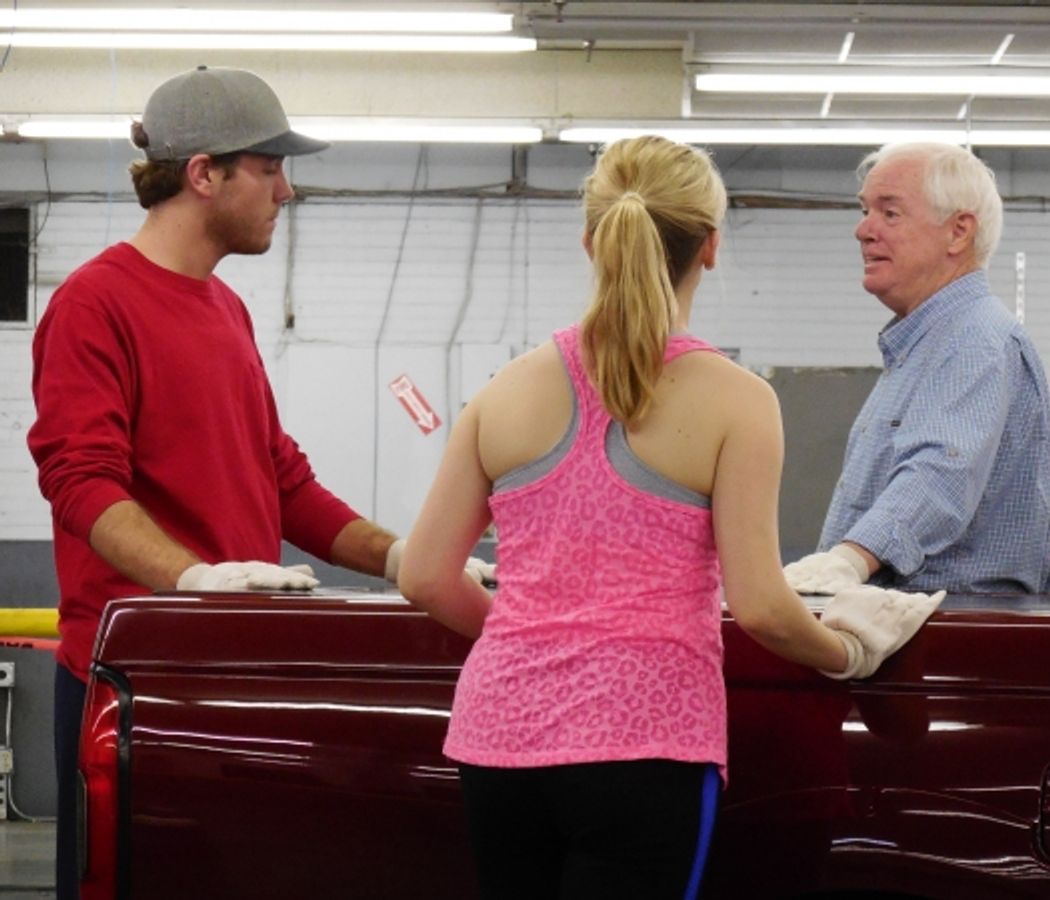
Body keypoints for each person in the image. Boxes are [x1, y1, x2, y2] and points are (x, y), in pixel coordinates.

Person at [398, 134, 943, 900]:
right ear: (711, 246)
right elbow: (759, 606)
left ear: (591, 239)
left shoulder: (503, 392)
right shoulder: (737, 402)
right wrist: (848, 651)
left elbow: (423, 573)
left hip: (500, 738)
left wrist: (537, 635)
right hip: (643, 746)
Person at [25, 66, 489, 900]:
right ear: (205, 175)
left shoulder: (224, 310)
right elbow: (79, 479)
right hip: (132, 677)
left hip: (225, 666)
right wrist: (191, 579)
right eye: (269, 167)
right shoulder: (95, 303)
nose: (287, 189)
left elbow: (284, 481)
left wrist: (411, 558)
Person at [784, 141, 1050, 597]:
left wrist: (849, 559)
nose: (863, 230)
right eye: (865, 210)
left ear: (958, 233)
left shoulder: (974, 340)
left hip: (954, 633)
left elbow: (939, 473)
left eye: (889, 213)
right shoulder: (923, 346)